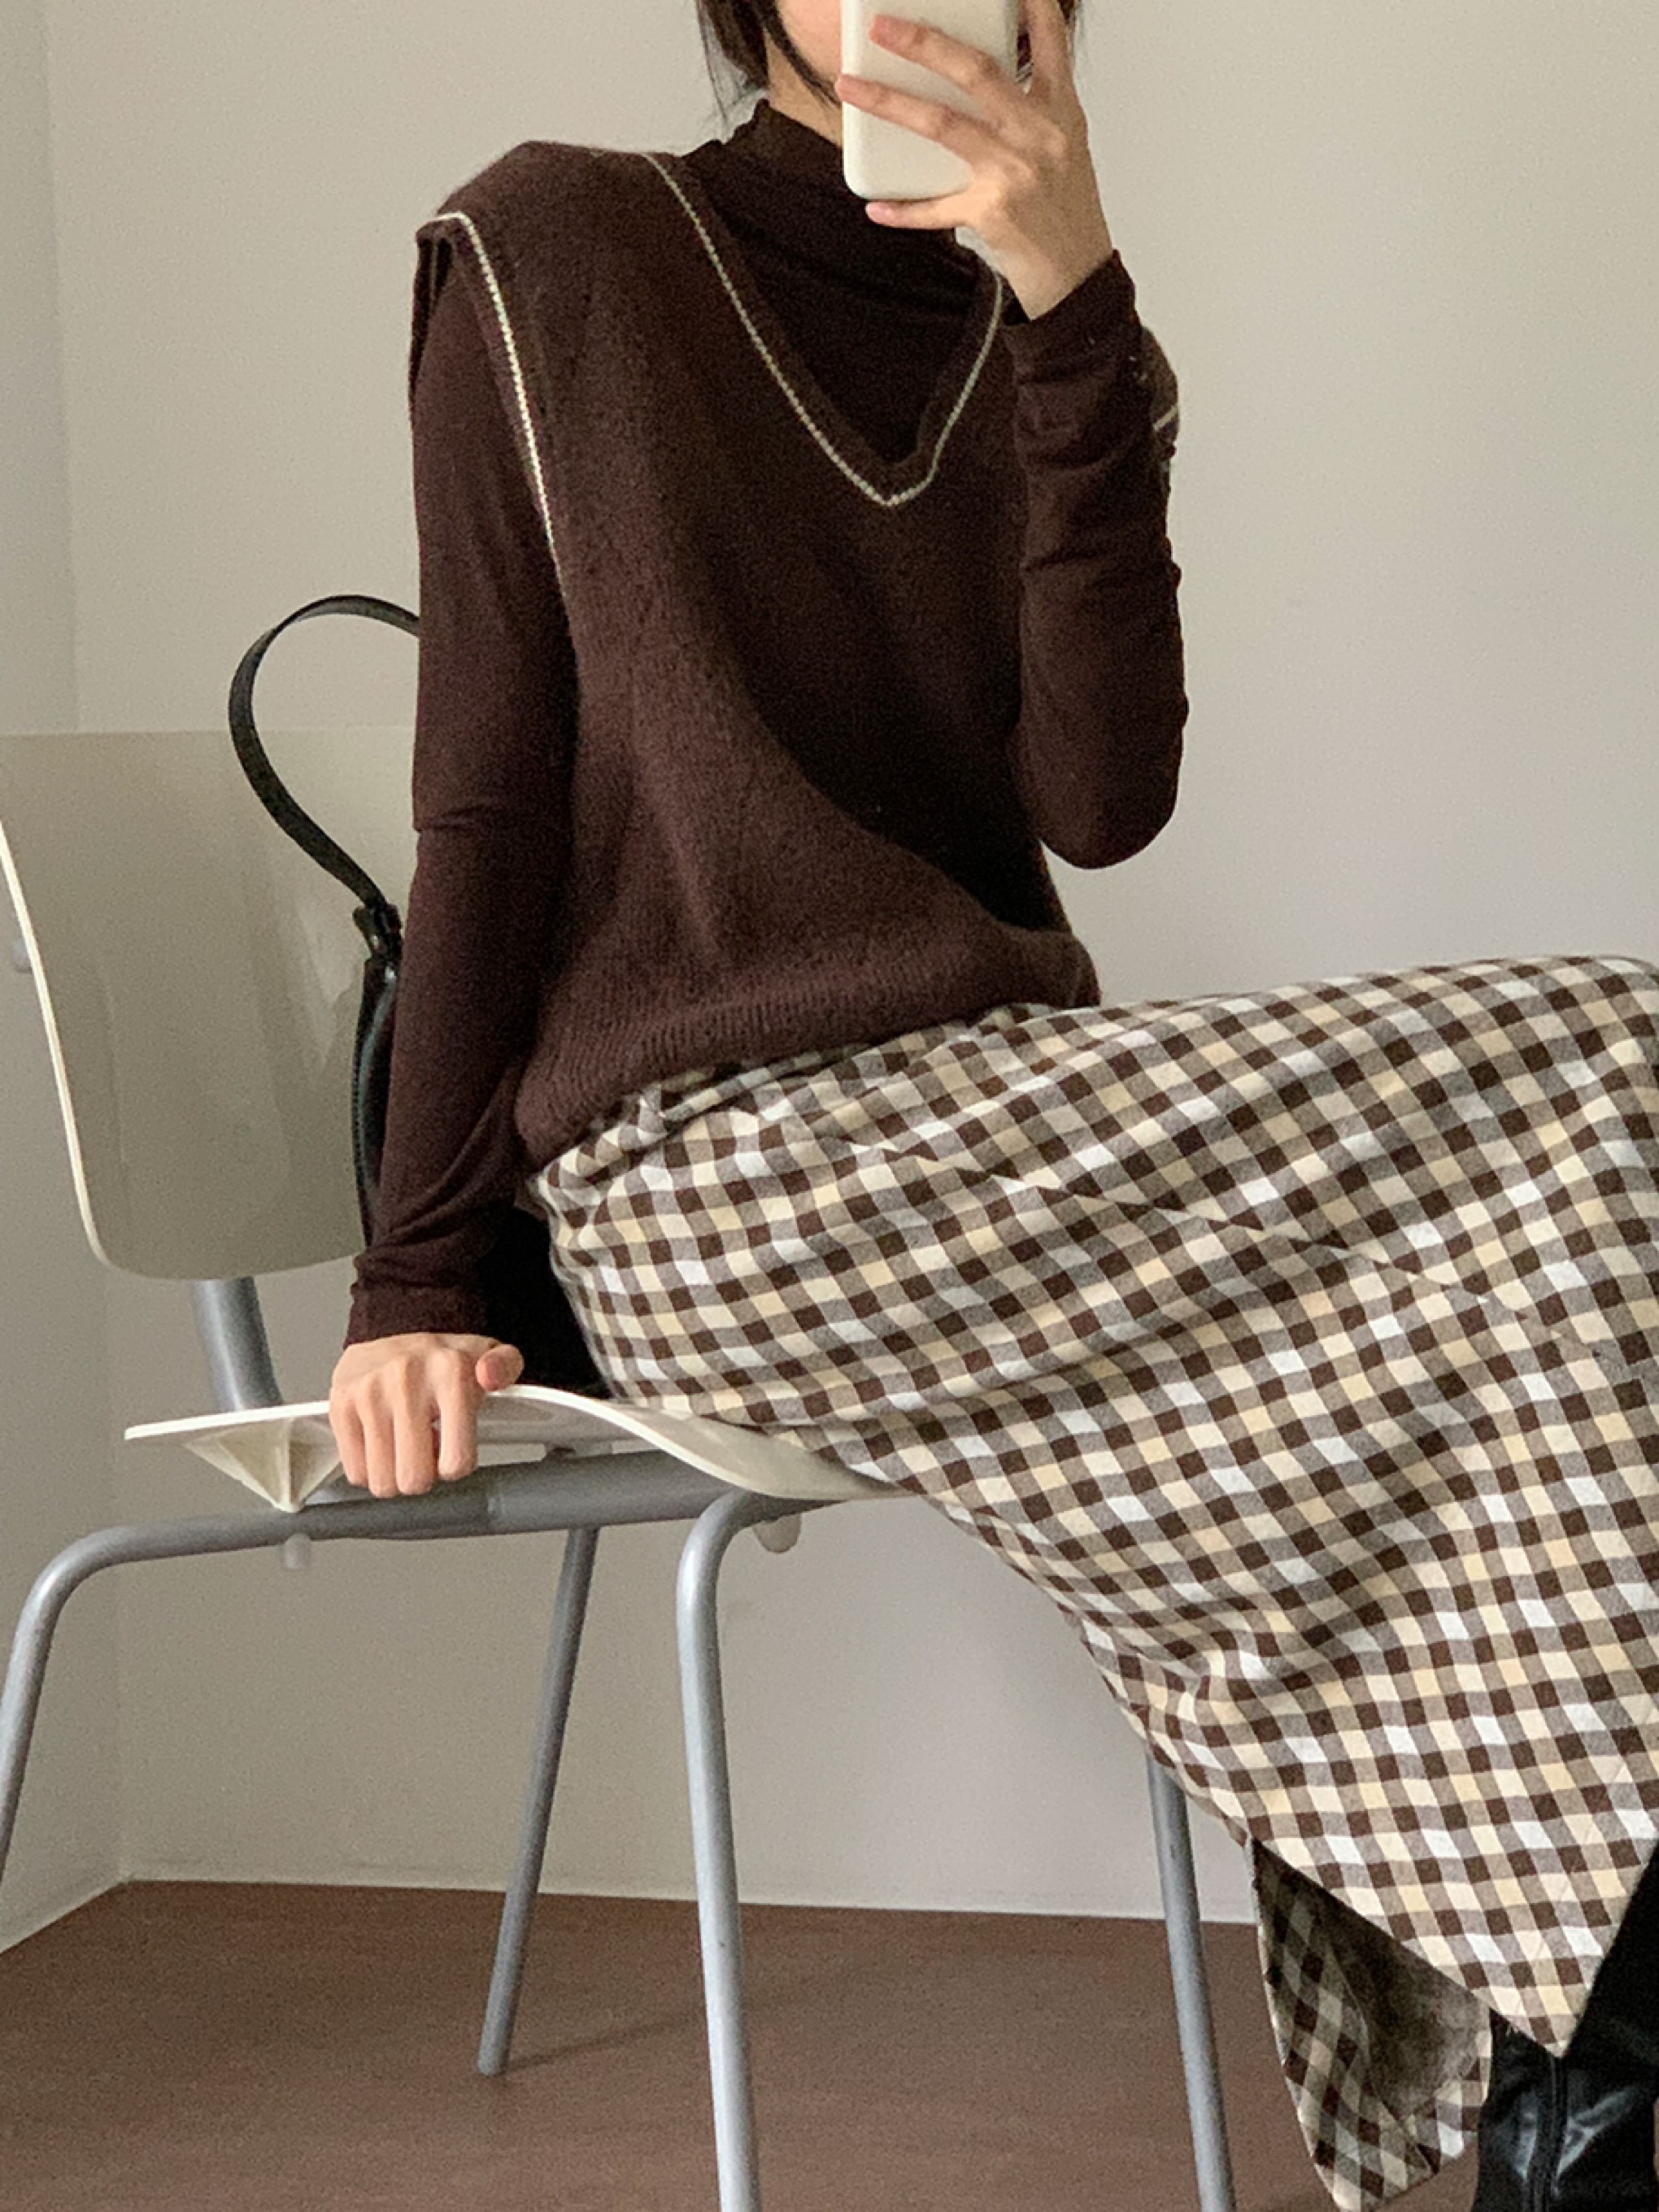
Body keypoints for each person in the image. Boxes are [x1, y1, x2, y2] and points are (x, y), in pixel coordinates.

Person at [330, 2, 1659, 2204]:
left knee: (1571, 1236)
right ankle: (1594, 2065)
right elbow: (483, 802)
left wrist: (1075, 310)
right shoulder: (551, 250)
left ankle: (1589, 2092)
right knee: (1609, 1064)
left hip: (985, 1134)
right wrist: (415, 1275)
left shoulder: (1053, 333)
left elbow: (1099, 802)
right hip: (713, 1179)